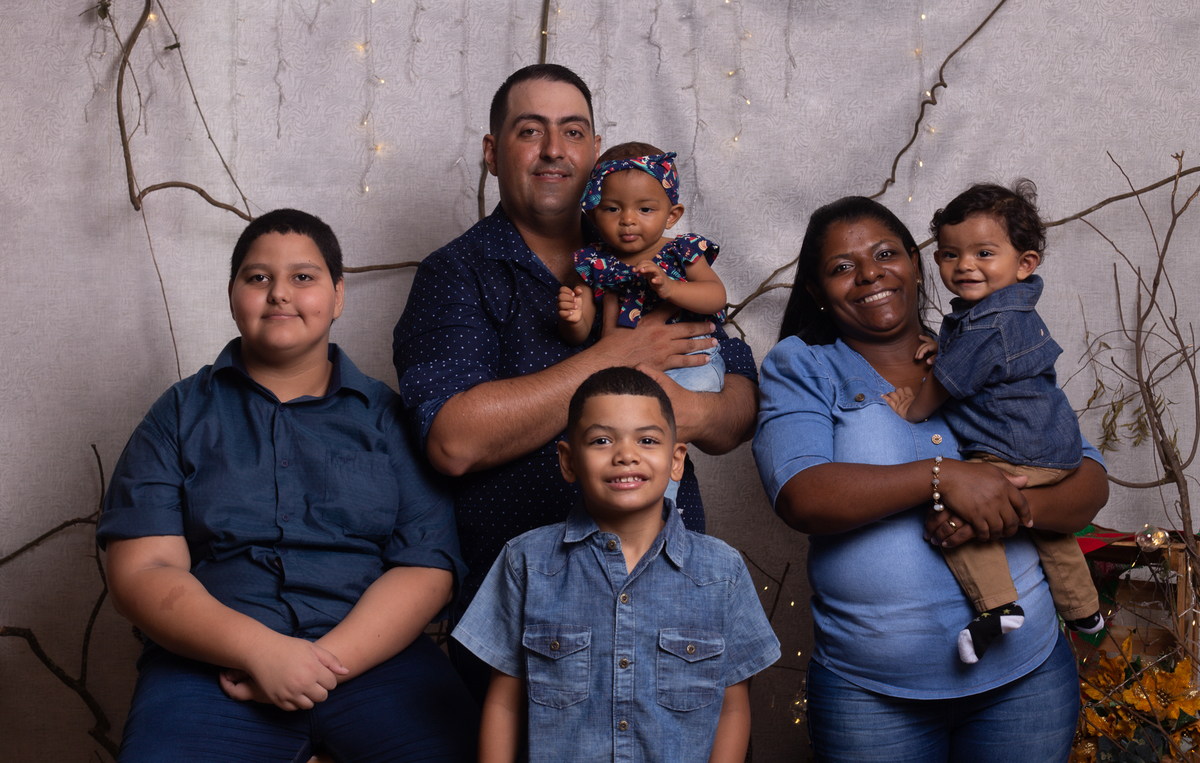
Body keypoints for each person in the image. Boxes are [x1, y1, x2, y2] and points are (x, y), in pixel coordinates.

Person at [392, 64, 759, 701]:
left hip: (670, 602)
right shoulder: (457, 274)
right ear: (492, 153)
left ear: (594, 152)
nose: (554, 150)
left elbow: (739, 404)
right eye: (530, 131)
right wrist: (616, 357)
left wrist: (686, 409)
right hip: (526, 624)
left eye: (573, 132)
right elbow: (454, 440)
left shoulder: (647, 245)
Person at [98, 209, 476, 762]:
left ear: (338, 295)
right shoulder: (178, 414)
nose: (279, 293)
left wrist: (321, 664)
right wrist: (260, 651)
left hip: (376, 659)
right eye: (258, 277)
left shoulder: (387, 419)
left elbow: (426, 567)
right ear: (232, 294)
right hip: (213, 667)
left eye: (303, 277)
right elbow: (143, 570)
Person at [752, 196, 1108, 762]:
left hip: (1026, 681)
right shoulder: (804, 365)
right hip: (871, 694)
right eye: (842, 267)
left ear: (917, 264)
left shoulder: (985, 340)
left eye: (885, 254)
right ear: (817, 291)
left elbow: (1087, 481)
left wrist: (1002, 510)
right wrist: (943, 478)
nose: (870, 274)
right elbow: (802, 495)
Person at [453, 367, 779, 763]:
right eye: (602, 440)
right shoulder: (525, 563)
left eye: (647, 440)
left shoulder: (722, 572)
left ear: (676, 460)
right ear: (568, 461)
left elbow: (731, 708)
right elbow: (505, 704)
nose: (626, 455)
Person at [883, 181, 1103, 664]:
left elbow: (947, 383)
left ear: (1025, 263)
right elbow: (986, 359)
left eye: (984, 253)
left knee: (957, 511)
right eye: (950, 254)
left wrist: (912, 408)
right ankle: (1085, 611)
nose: (965, 265)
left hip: (1013, 450)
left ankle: (998, 607)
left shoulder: (988, 324)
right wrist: (945, 346)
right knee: (1053, 534)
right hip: (1055, 447)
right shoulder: (1008, 309)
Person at [559, 142, 729, 505]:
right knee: (621, 436)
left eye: (645, 209)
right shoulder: (595, 263)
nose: (628, 220)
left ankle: (658, 510)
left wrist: (671, 288)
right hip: (628, 373)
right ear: (593, 213)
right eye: (612, 208)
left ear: (671, 215)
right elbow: (581, 332)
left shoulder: (681, 252)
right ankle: (631, 509)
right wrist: (573, 316)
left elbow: (716, 296)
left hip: (693, 365)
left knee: (654, 432)